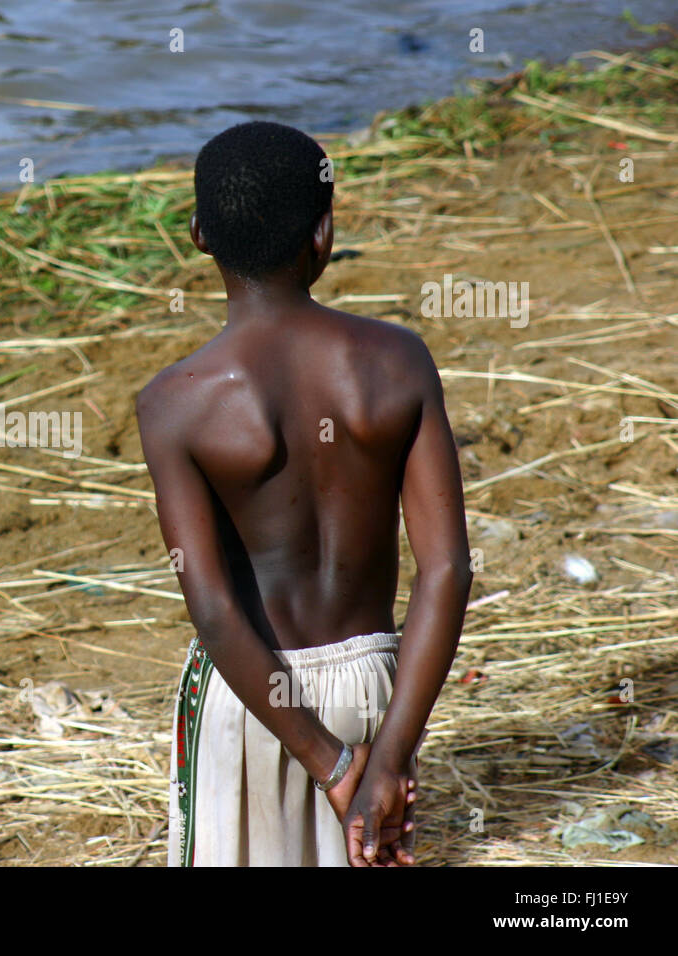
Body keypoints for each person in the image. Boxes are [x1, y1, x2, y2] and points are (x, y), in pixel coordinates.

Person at [137, 121, 472, 867]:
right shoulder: (397, 362)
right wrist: (383, 756)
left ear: (198, 235)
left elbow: (217, 610)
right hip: (380, 689)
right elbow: (446, 572)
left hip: (254, 699)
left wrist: (331, 764)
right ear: (322, 236)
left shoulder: (175, 404)